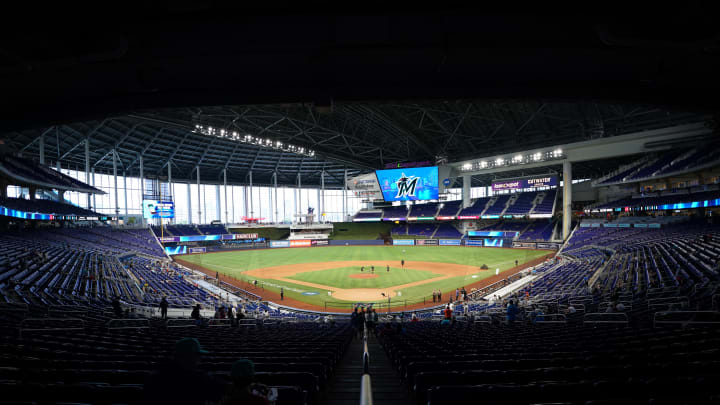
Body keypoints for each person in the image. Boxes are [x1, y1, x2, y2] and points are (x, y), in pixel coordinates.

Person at [143, 338, 224, 405]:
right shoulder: (198, 379)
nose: (200, 359)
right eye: (198, 356)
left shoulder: (154, 377)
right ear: (189, 357)